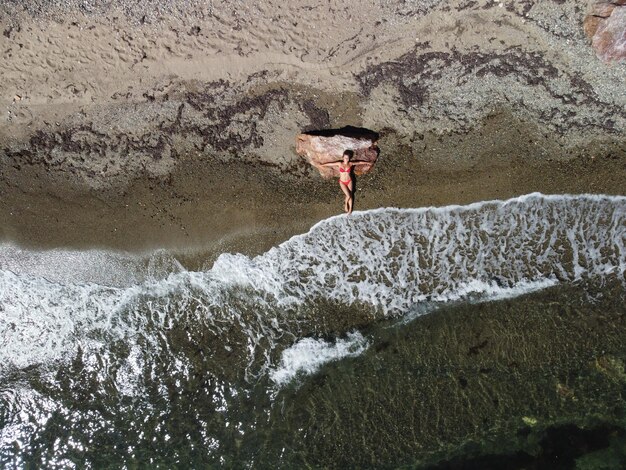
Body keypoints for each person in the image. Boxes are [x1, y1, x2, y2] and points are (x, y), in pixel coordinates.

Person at [321, 149, 369, 214]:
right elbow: (331, 164)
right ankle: (346, 204)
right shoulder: (340, 164)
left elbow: (359, 162)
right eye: (345, 158)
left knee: (350, 195)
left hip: (349, 181)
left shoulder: (350, 164)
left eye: (348, 158)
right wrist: (322, 165)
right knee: (348, 195)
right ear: (343, 157)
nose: (346, 159)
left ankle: (350, 210)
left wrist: (367, 163)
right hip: (342, 182)